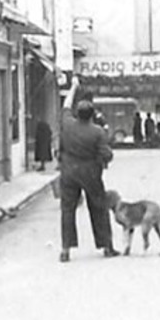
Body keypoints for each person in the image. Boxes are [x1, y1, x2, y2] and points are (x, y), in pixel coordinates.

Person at [58, 86, 119, 262]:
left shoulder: (68, 124)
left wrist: (73, 87)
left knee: (67, 209)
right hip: (91, 173)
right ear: (92, 115)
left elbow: (66, 104)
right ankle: (106, 246)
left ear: (77, 113)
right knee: (99, 207)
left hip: (69, 172)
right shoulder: (97, 132)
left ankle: (65, 249)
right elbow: (106, 154)